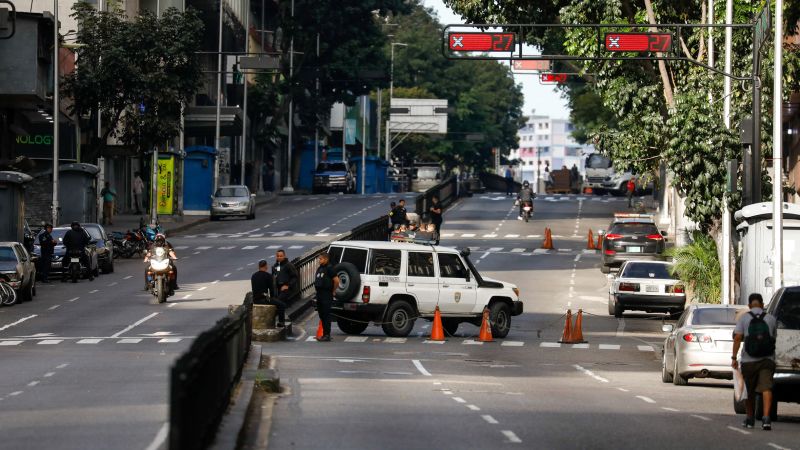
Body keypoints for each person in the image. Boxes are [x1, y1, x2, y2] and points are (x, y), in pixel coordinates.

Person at [732, 293, 778, 430]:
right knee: (766, 388)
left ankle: (750, 419)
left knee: (749, 390)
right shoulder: (771, 319)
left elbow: (737, 338)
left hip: (749, 361)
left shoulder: (744, 318)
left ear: (749, 305)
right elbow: (773, 338)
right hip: (767, 359)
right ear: (762, 304)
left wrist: (734, 358)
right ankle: (766, 419)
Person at [251, 259, 286, 326]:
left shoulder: (253, 276)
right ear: (266, 266)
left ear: (259, 266)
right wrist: (273, 298)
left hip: (255, 299)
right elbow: (271, 290)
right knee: (282, 305)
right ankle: (281, 322)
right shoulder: (268, 275)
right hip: (264, 299)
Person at [314, 252, 339, 342]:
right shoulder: (320, 268)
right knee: (321, 314)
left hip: (326, 294)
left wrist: (333, 291)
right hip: (319, 294)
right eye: (319, 259)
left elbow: (336, 281)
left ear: (326, 259)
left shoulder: (330, 268)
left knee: (326, 315)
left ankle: (327, 335)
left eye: (321, 259)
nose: (319, 260)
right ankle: (324, 334)